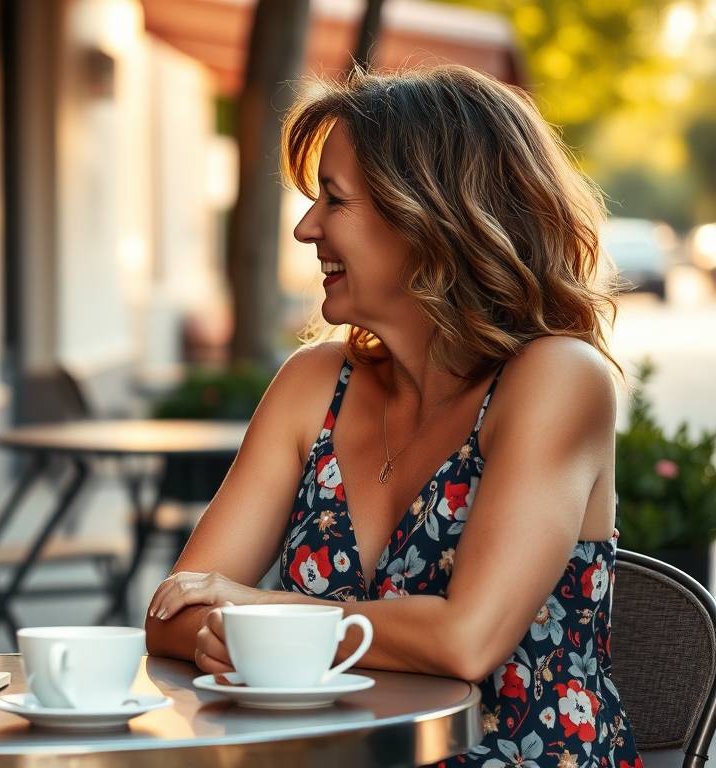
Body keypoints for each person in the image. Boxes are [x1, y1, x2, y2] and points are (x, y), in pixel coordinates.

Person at [145, 66, 642, 767]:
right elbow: (172, 613)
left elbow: (467, 639)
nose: (305, 226)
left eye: (334, 199)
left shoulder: (556, 379)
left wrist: (263, 612)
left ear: (427, 218)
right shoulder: (312, 384)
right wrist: (229, 622)